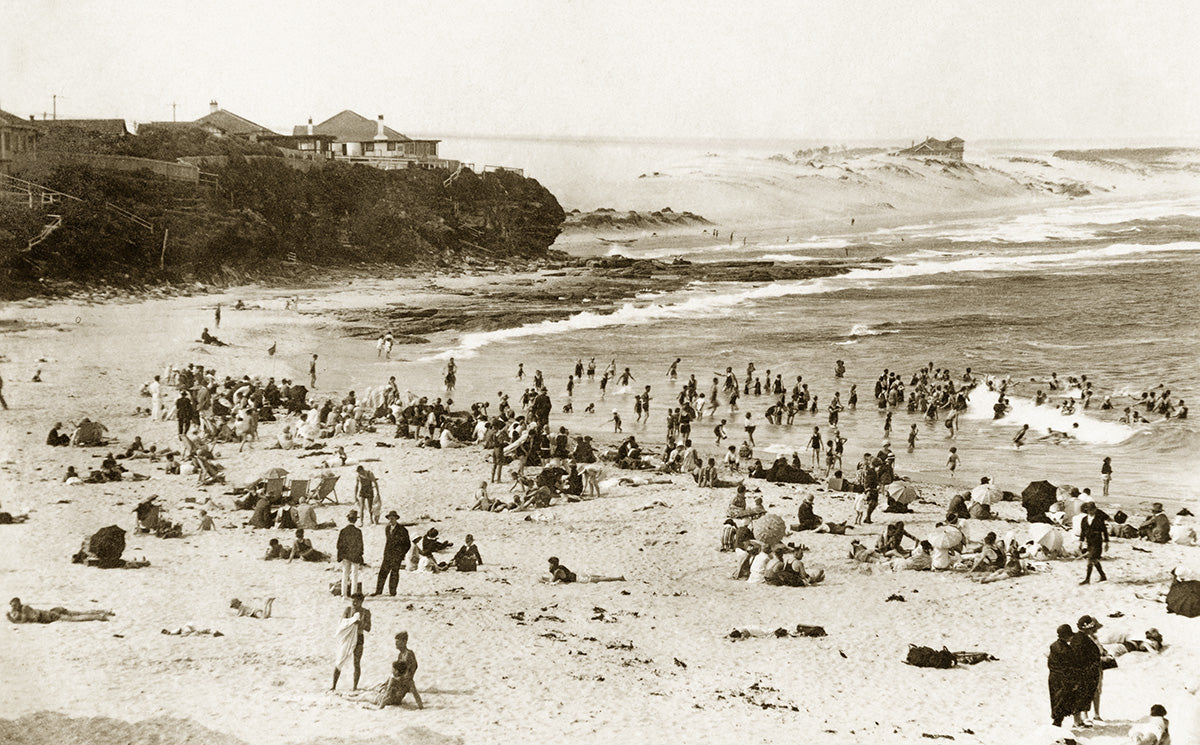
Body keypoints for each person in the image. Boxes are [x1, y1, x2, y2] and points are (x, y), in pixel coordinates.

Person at [331, 595, 371, 691]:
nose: (353, 604)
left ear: (361, 602)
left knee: (356, 663)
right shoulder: (348, 610)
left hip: (359, 637)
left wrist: (360, 623)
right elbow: (342, 623)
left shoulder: (366, 612)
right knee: (340, 660)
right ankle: (333, 686)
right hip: (348, 636)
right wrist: (351, 621)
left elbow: (369, 628)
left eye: (356, 602)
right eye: (352, 601)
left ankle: (354, 687)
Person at [1071, 615, 1103, 728]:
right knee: (1081, 696)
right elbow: (1082, 657)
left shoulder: (1078, 638)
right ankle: (1078, 721)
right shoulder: (1082, 639)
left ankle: (1078, 721)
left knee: (1081, 696)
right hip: (1083, 672)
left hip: (1082, 672)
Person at [1047, 623, 1077, 728]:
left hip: (1053, 676)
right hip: (1063, 678)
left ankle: (1056, 720)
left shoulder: (1053, 646)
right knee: (1062, 700)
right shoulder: (1066, 650)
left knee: (1055, 700)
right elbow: (1069, 666)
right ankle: (1057, 724)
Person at [373, 511, 410, 596]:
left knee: (394, 573)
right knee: (382, 573)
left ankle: (392, 592)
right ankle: (378, 591)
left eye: (393, 518)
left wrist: (401, 554)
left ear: (396, 518)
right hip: (387, 555)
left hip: (397, 556)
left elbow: (407, 544)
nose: (391, 520)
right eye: (389, 518)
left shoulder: (402, 530)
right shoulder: (387, 528)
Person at [388, 631, 424, 709]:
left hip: (400, 687)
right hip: (399, 685)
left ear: (404, 642)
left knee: (377, 697)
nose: (396, 644)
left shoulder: (408, 654)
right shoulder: (401, 655)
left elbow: (412, 669)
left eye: (398, 642)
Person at [8, 597, 113, 623]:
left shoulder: (25, 608)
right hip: (52, 611)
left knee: (77, 618)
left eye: (14, 605)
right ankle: (104, 611)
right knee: (79, 612)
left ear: (18, 604)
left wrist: (13, 619)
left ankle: (100, 616)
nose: (13, 608)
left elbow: (34, 618)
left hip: (51, 615)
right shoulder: (23, 608)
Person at [1078, 501, 1109, 584]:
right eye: (1089, 510)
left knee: (1090, 558)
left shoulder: (1099, 519)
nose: (1091, 512)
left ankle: (1087, 579)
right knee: (1094, 560)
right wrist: (1081, 541)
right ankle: (1103, 576)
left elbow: (1104, 531)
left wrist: (1106, 542)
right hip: (1089, 541)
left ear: (1095, 510)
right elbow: (1083, 531)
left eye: (1092, 510)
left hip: (1097, 541)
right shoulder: (1084, 520)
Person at [337, 510, 365, 597]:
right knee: (354, 575)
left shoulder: (343, 531)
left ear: (348, 519)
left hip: (345, 556)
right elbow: (360, 545)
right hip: (355, 556)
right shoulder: (358, 531)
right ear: (355, 520)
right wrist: (360, 555)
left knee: (345, 574)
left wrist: (341, 555)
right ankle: (353, 594)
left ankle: (344, 594)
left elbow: (339, 545)